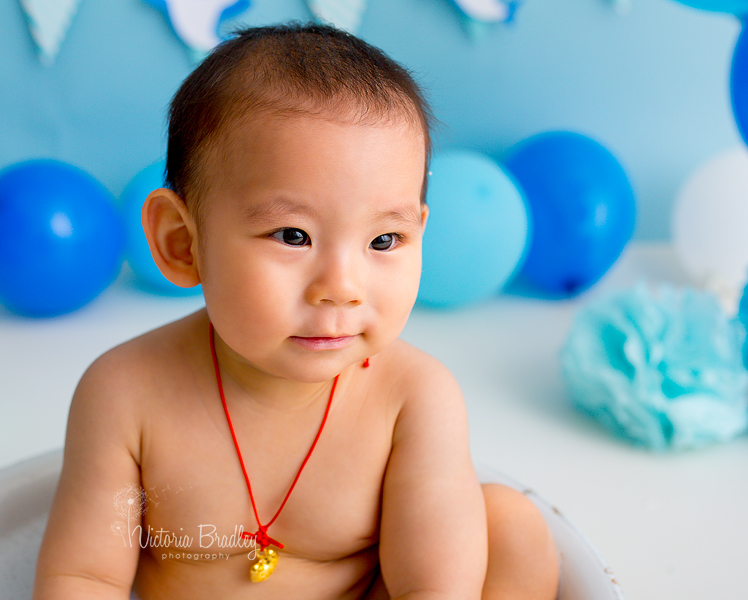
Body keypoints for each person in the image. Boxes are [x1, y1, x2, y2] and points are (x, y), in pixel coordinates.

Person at [33, 23, 559, 600]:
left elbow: (432, 588)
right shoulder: (125, 393)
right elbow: (86, 576)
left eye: (384, 241)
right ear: (183, 243)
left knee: (511, 528)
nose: (341, 288)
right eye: (292, 235)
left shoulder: (413, 398)